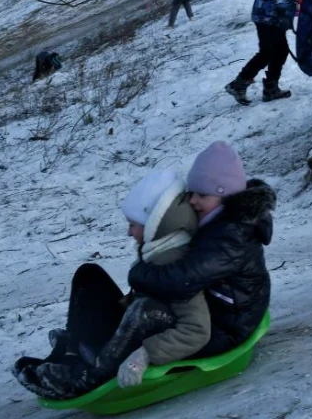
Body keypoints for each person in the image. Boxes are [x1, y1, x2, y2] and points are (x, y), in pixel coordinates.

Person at [14, 169, 214, 400]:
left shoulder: (174, 261)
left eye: (133, 224)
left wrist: (144, 355)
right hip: (138, 329)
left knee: (144, 310)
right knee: (89, 274)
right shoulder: (159, 249)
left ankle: (90, 376)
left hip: (154, 339)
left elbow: (197, 331)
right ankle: (73, 352)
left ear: (154, 223)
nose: (129, 232)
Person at [127, 141, 274, 359]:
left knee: (141, 326)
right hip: (216, 312)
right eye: (192, 193)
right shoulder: (217, 223)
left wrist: (138, 273)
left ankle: (97, 367)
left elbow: (182, 280)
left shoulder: (231, 237)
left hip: (228, 328)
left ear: (226, 197)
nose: (193, 201)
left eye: (203, 195)